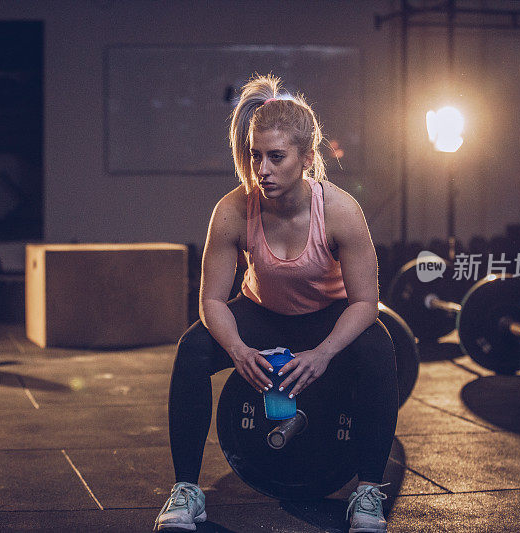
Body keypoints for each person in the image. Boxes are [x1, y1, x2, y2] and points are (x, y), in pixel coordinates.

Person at [153, 74, 399, 533]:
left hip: (329, 318)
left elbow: (366, 302)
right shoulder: (232, 209)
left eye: (276, 157)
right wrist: (237, 350)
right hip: (261, 315)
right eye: (256, 156)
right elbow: (211, 299)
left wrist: (324, 353)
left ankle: (367, 491)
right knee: (192, 349)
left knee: (380, 350)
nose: (261, 169)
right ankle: (186, 489)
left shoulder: (342, 211)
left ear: (307, 159)